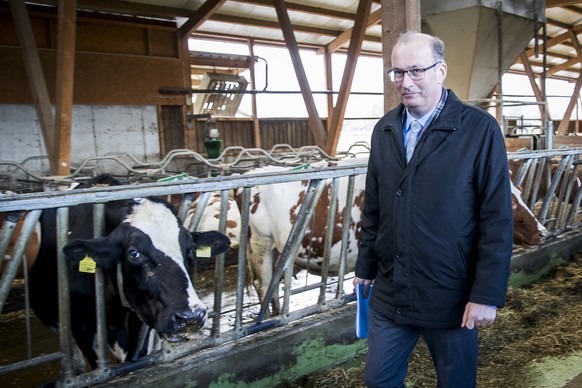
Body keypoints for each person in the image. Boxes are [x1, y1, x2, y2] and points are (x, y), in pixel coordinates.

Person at [353, 32, 514, 388]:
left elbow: (496, 218)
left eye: (415, 71)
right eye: (396, 72)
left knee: (456, 382)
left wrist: (485, 295)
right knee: (378, 379)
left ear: (441, 71)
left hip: (451, 292)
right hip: (391, 290)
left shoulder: (478, 129)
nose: (404, 82)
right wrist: (365, 266)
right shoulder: (385, 129)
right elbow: (374, 206)